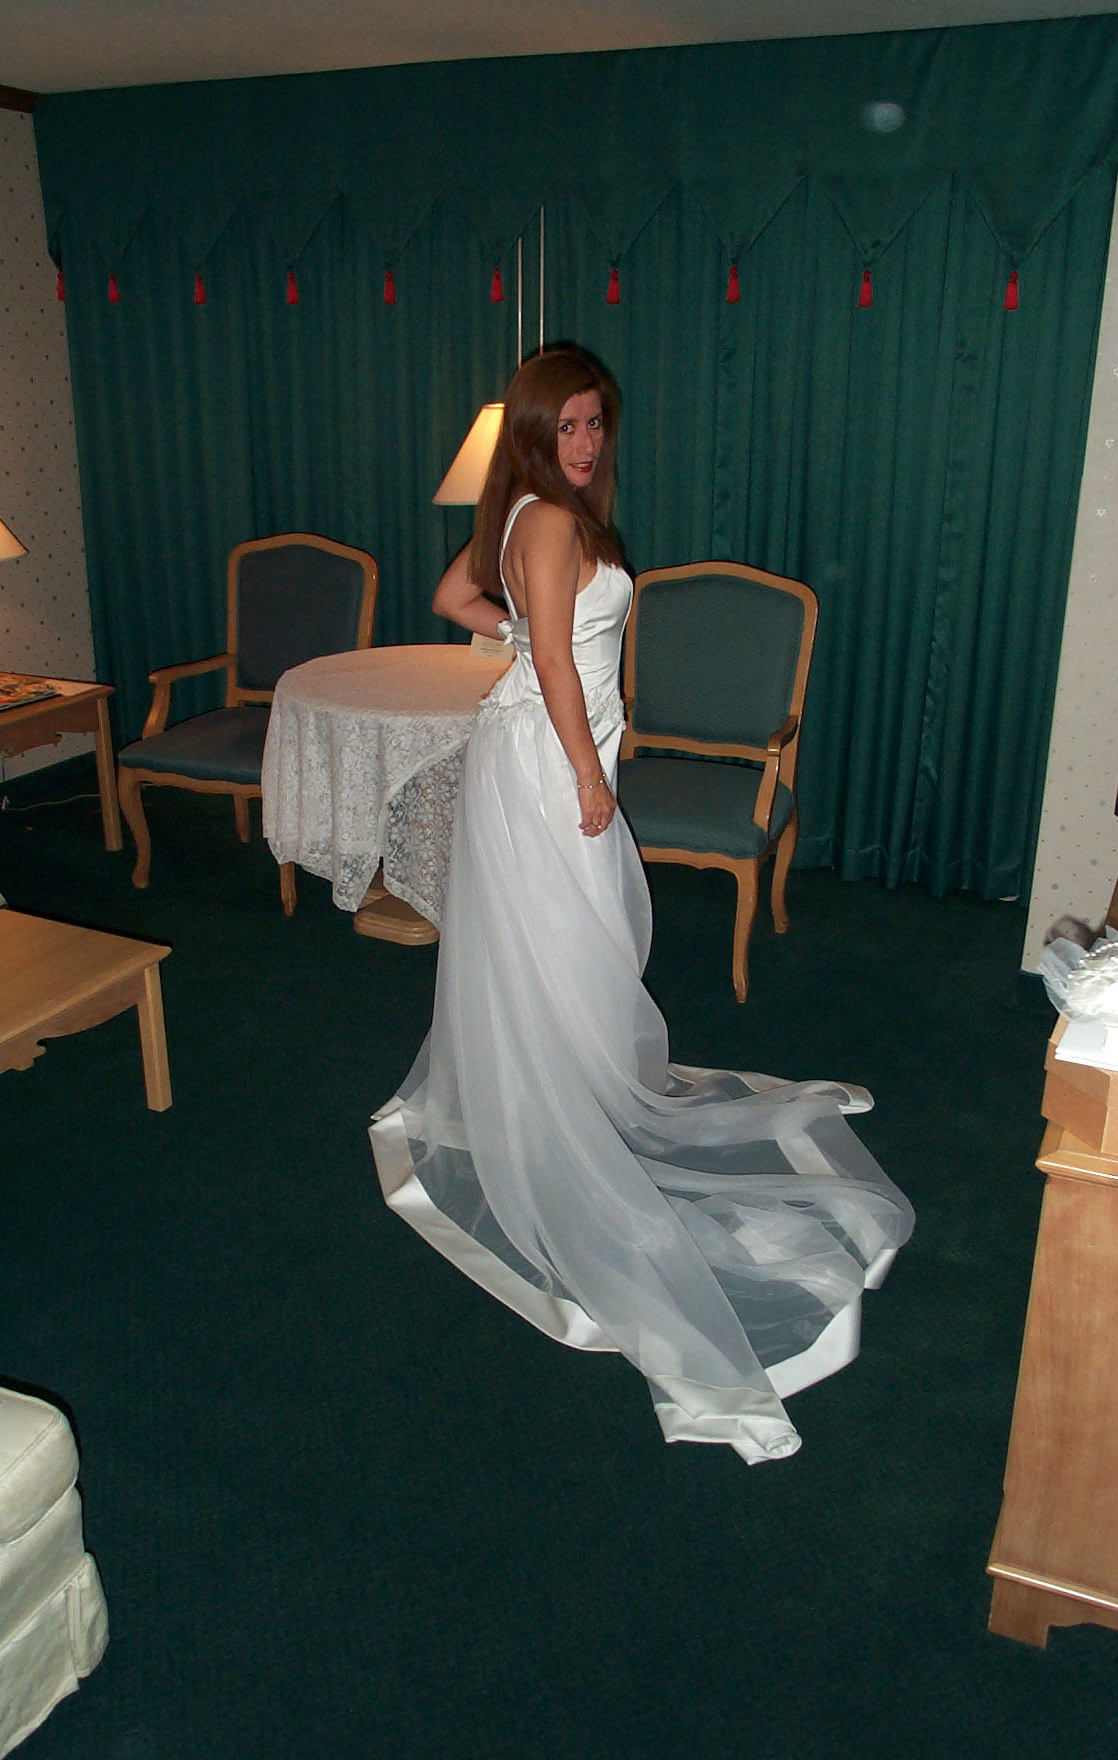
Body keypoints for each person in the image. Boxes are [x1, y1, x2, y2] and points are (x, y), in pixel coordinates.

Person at [370, 345, 914, 1464]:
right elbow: (557, 664)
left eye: (594, 423)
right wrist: (584, 772)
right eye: (565, 425)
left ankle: (558, 1086)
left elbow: (454, 598)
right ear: (535, 432)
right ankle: (563, 1112)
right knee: (573, 936)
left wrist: (525, 644)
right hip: (547, 753)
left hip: (534, 744)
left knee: (560, 940)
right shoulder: (550, 522)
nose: (585, 442)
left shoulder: (528, 513)